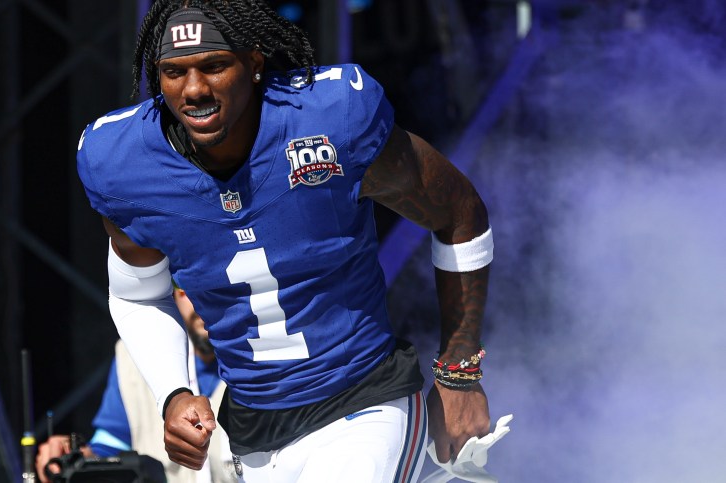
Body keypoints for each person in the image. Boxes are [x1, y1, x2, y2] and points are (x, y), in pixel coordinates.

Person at [76, 1, 495, 481]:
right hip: (256, 436)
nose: (193, 89)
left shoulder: (328, 119)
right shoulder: (125, 163)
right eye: (173, 72)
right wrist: (173, 391)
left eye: (214, 66)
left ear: (254, 63)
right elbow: (137, 294)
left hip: (363, 403)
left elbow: (460, 212)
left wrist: (460, 373)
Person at [36, 289, 236, 483]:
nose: (202, 299)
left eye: (218, 286)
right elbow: (111, 445)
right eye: (187, 288)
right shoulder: (134, 356)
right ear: (172, 293)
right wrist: (75, 458)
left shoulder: (264, 357)